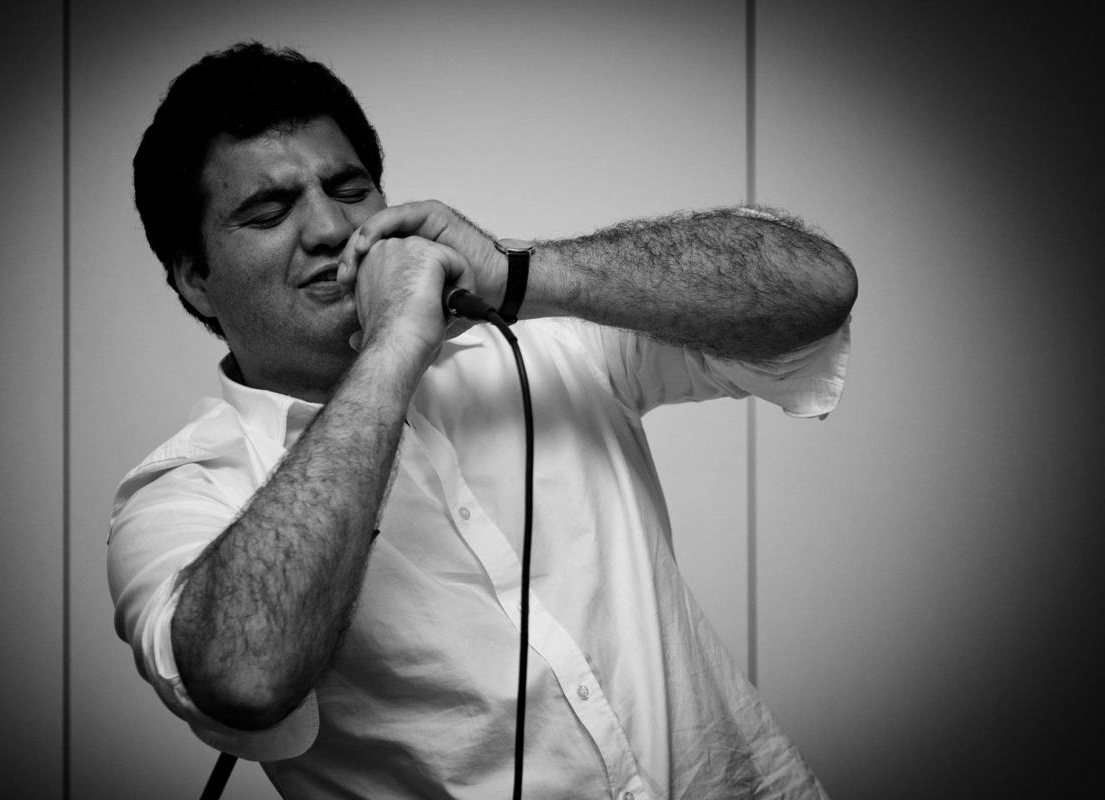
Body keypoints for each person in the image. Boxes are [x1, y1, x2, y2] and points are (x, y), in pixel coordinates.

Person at [109, 41, 856, 799]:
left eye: (350, 188)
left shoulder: (542, 339)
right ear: (195, 279)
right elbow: (244, 678)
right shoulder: (182, 491)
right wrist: (392, 348)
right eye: (270, 211)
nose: (330, 227)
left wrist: (519, 273)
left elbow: (817, 286)